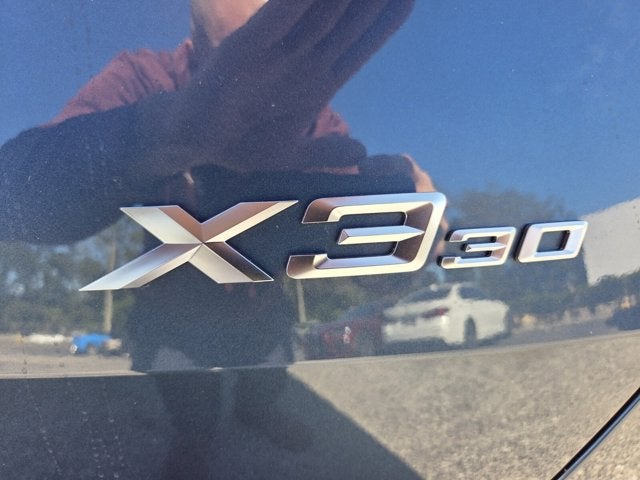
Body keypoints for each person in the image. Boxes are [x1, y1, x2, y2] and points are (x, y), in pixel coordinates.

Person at [0, 0, 433, 476]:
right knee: (190, 405)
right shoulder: (145, 78)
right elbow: (15, 194)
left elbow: (352, 252)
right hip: (171, 313)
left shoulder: (312, 114)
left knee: (266, 380)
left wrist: (401, 246)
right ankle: (194, 439)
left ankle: (256, 411)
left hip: (261, 308)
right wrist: (156, 134)